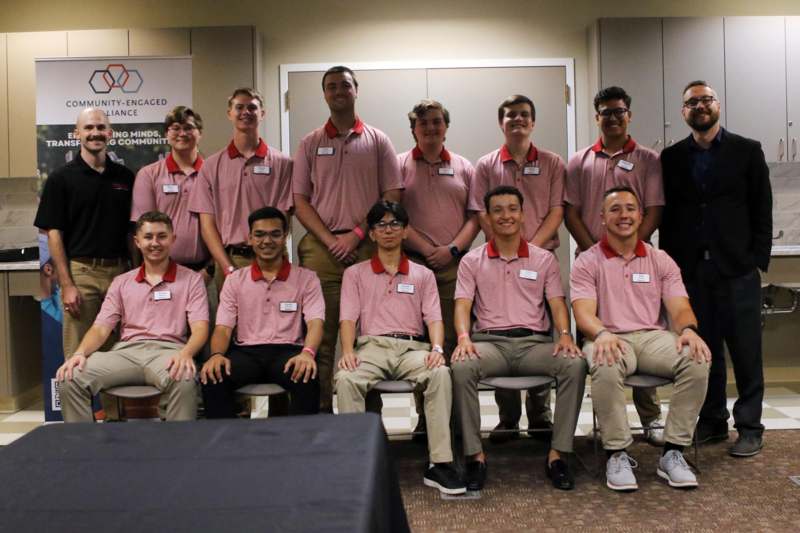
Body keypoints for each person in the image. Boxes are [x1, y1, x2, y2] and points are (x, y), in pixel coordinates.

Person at [571, 186, 710, 491]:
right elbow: (583, 312)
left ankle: (673, 452)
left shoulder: (661, 260)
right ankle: (617, 453)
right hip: (607, 336)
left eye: (631, 209)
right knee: (604, 363)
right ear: (602, 218)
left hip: (652, 338)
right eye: (616, 209)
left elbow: (680, 306)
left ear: (641, 215)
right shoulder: (587, 261)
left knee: (697, 359)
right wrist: (602, 333)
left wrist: (688, 330)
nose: (624, 215)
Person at [660, 80, 773, 457]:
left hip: (737, 268)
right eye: (693, 102)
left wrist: (757, 259)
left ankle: (750, 426)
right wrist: (673, 269)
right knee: (703, 350)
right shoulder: (672, 158)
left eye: (706, 100)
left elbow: (762, 208)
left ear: (718, 105)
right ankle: (711, 422)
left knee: (745, 350)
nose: (700, 106)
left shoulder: (747, 151)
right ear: (684, 112)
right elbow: (669, 215)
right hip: (692, 271)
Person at [451, 186, 586, 491]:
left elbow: (556, 304)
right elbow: (462, 305)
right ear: (487, 217)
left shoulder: (543, 260)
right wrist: (463, 337)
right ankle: (475, 456)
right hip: (489, 344)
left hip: (533, 345)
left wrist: (564, 335)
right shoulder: (472, 261)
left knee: (574, 364)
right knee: (460, 367)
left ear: (523, 215)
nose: (506, 216)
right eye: (497, 210)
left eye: (512, 209)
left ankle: (558, 454)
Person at [334, 201, 465, 496]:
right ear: (371, 234)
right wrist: (347, 352)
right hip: (371, 347)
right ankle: (357, 465)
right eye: (381, 225)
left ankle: (440, 464)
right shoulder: (355, 274)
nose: (388, 230)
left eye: (395, 224)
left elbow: (433, 318)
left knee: (440, 374)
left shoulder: (423, 275)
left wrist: (436, 349)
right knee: (345, 380)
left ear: (406, 231)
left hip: (412, 348)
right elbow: (347, 318)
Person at [293, 65, 403, 412]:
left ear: (357, 90)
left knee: (368, 335)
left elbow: (392, 194)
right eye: (331, 86)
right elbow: (299, 201)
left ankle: (368, 419)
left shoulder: (377, 140)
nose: (338, 91)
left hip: (369, 247)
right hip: (321, 250)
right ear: (324, 94)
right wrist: (330, 240)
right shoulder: (310, 143)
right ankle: (322, 413)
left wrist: (357, 235)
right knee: (320, 336)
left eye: (345, 85)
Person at [564, 86, 665, 445]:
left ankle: (651, 418)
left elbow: (653, 209)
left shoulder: (649, 159)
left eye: (619, 111)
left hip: (637, 263)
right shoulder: (578, 161)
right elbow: (570, 212)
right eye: (605, 112)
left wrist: (628, 245)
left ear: (629, 115)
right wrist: (597, 251)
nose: (612, 117)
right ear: (596, 117)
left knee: (643, 329)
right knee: (598, 340)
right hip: (592, 264)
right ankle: (605, 422)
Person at [471, 95, 566, 441]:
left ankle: (540, 415)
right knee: (501, 328)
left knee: (538, 330)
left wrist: (532, 250)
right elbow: (481, 211)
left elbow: (557, 210)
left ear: (533, 122)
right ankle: (508, 417)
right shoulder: (486, 165)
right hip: (498, 259)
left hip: (541, 259)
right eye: (511, 115)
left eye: (525, 115)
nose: (518, 120)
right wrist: (507, 245)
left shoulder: (553, 163)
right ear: (501, 122)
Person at [56, 211, 209, 422]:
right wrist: (80, 353)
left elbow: (200, 327)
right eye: (148, 237)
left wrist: (186, 354)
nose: (155, 243)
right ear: (137, 242)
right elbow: (101, 328)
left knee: (184, 378)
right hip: (126, 353)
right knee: (69, 378)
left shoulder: (192, 280)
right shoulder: (121, 282)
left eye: (162, 236)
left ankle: (177, 449)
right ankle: (82, 448)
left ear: (173, 239)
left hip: (169, 353)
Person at [398, 99, 481, 436]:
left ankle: (455, 420)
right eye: (423, 123)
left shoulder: (464, 166)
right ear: (413, 129)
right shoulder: (399, 164)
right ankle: (426, 418)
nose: (430, 128)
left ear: (446, 126)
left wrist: (451, 249)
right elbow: (394, 216)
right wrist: (426, 248)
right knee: (421, 344)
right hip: (412, 267)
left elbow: (476, 216)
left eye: (436, 122)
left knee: (450, 339)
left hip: (454, 266)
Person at [199, 207, 322, 416]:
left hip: (288, 351)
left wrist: (308, 353)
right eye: (259, 234)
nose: (267, 241)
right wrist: (217, 355)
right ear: (249, 238)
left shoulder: (307, 278)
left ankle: (300, 444)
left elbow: (315, 323)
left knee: (307, 375)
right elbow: (223, 328)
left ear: (285, 236)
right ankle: (228, 443)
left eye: (275, 234)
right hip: (246, 352)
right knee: (213, 375)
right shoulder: (235, 280)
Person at [34, 108, 134, 360]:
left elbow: (133, 231)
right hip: (81, 274)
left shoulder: (125, 177)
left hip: (119, 274)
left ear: (109, 133)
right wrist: (66, 285)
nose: (95, 133)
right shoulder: (60, 179)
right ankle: (75, 401)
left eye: (100, 127)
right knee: (78, 356)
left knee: (118, 356)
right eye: (88, 128)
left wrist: (135, 276)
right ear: (76, 133)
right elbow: (53, 234)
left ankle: (114, 403)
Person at [188, 87, 293, 292]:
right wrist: (227, 268)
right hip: (230, 259)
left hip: (272, 258)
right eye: (239, 107)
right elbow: (207, 226)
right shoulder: (211, 166)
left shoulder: (283, 163)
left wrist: (270, 255)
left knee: (278, 322)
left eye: (252, 107)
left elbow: (285, 216)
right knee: (231, 324)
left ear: (262, 113)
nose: (246, 112)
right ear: (230, 113)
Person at [131, 106, 210, 276]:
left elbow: (224, 226)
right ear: (166, 134)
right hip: (161, 271)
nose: (182, 133)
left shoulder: (213, 173)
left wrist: (210, 270)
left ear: (200, 133)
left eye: (188, 127)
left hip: (206, 271)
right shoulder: (149, 175)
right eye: (175, 128)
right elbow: (144, 229)